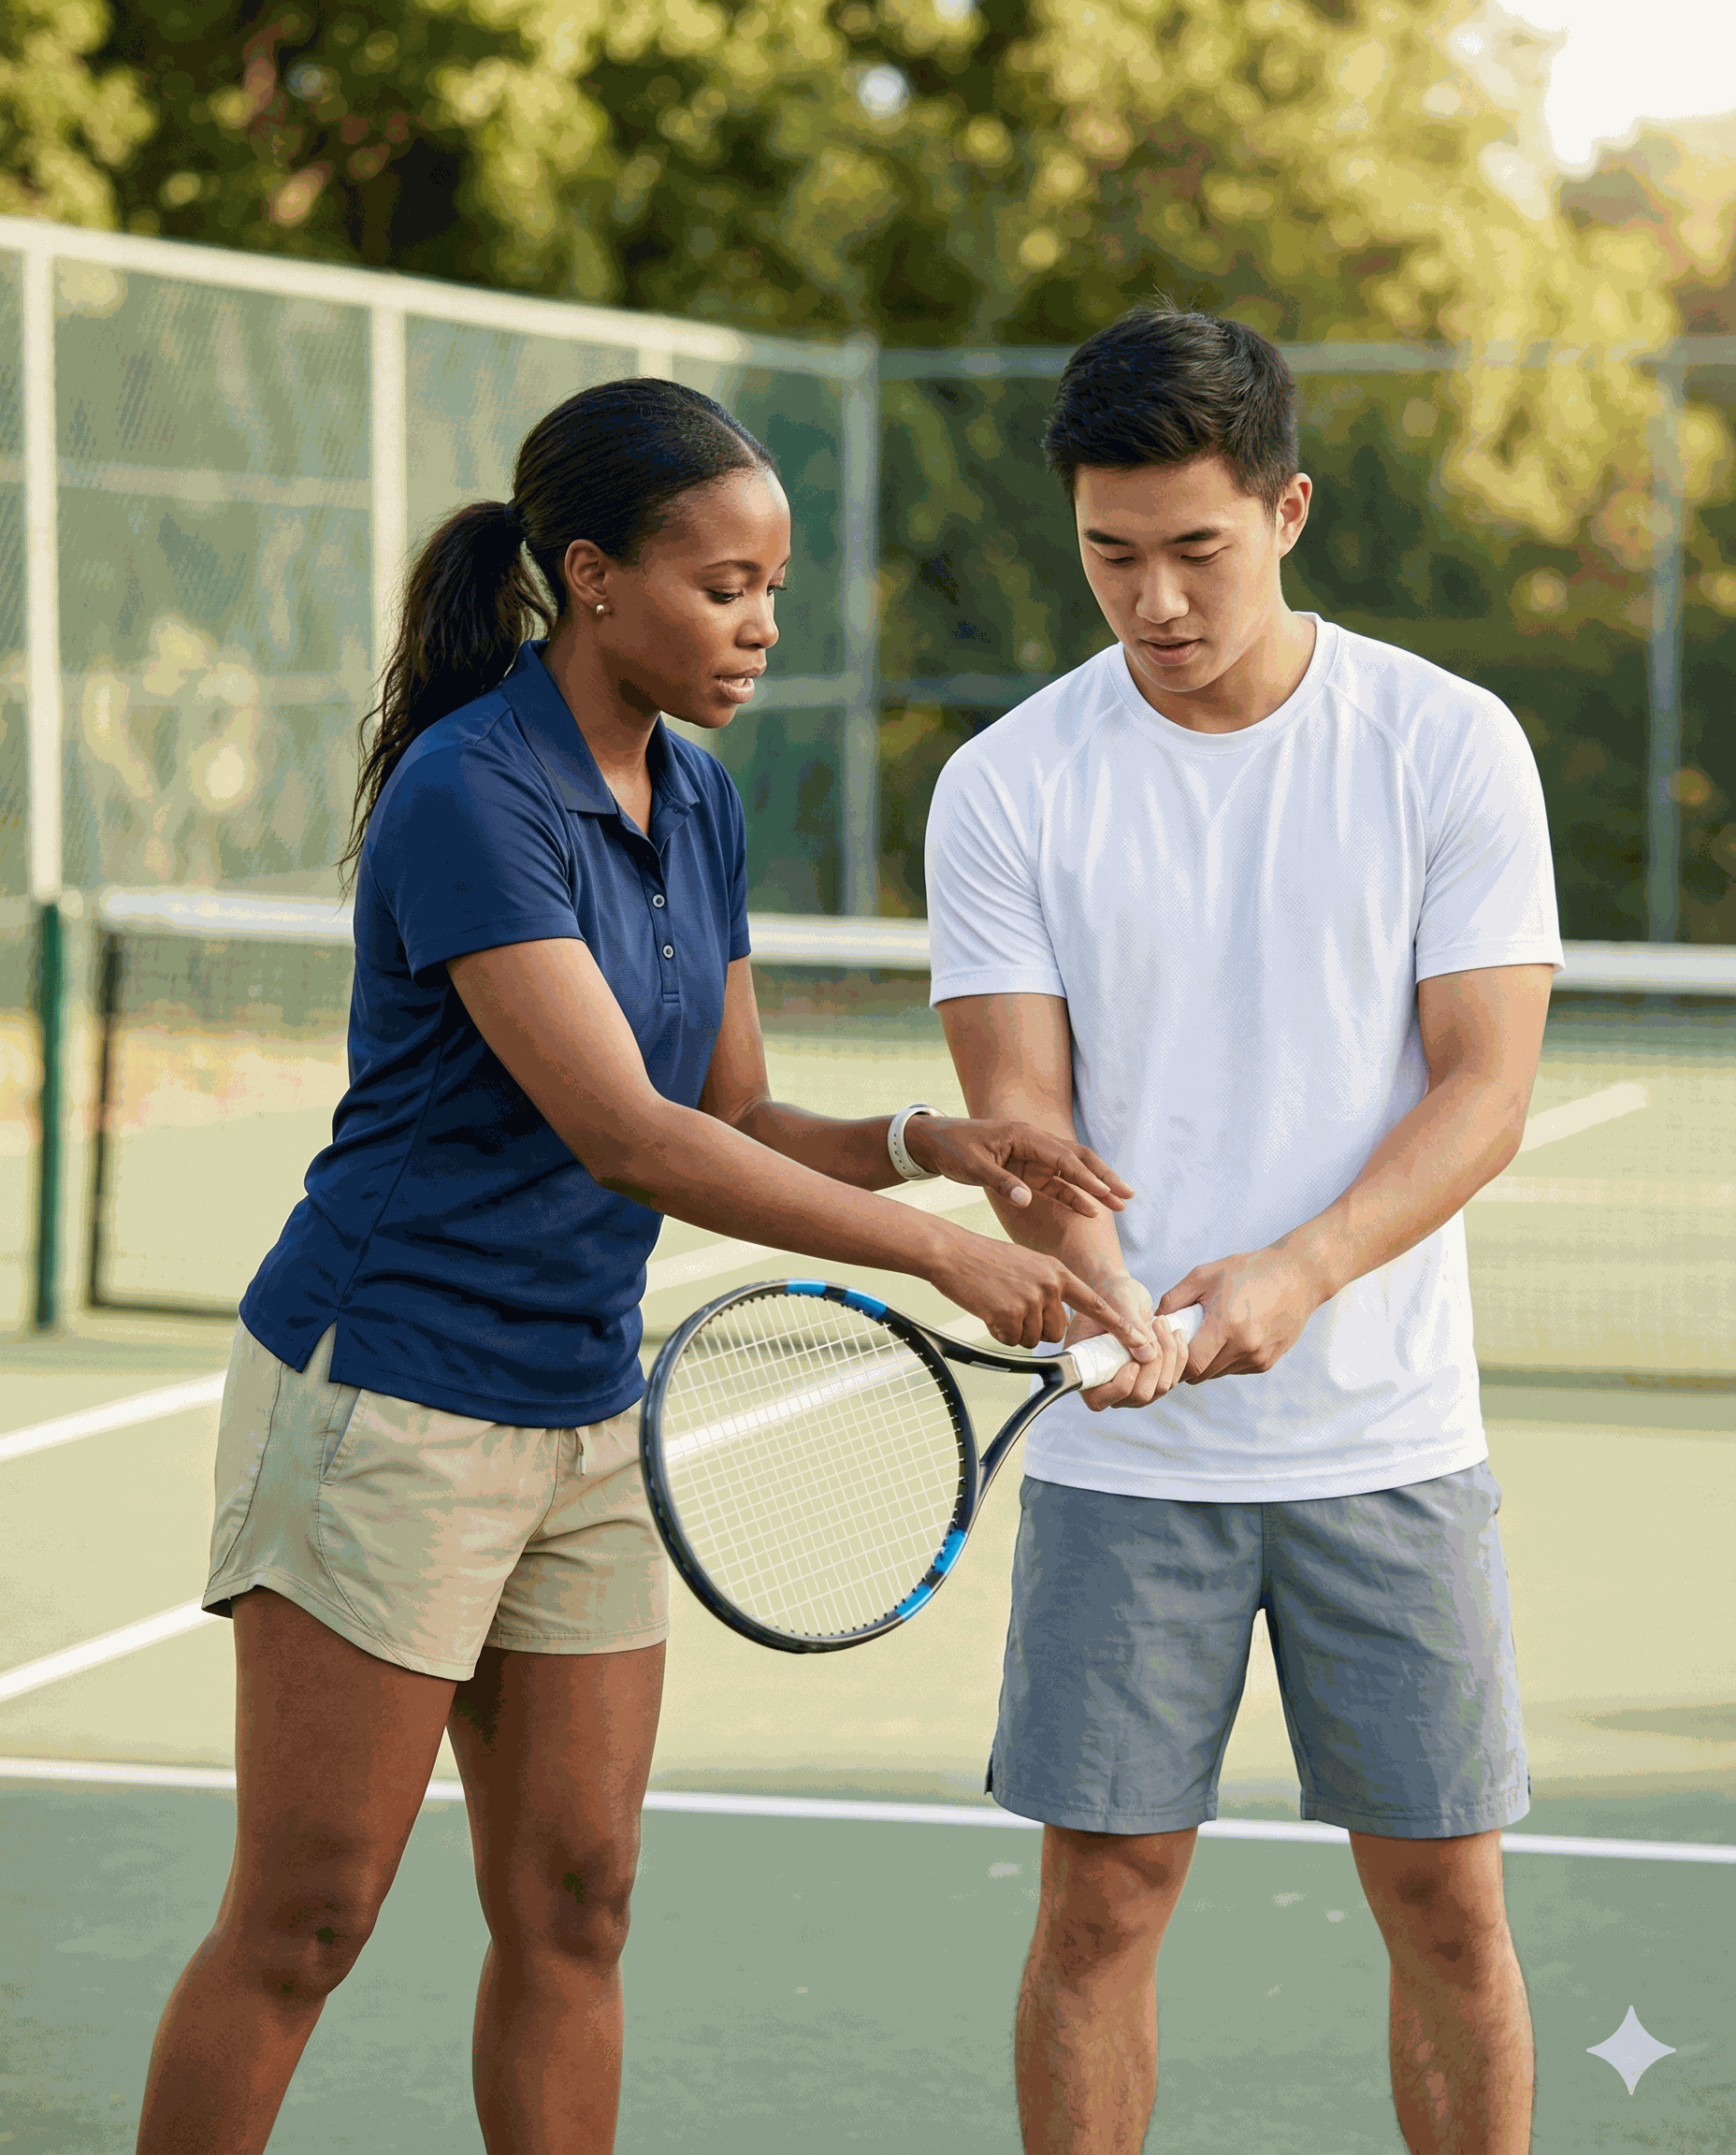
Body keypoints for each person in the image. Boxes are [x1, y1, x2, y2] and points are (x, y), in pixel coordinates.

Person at [133, 377, 1158, 2155]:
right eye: (724, 586)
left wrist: (935, 1142)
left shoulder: (694, 796)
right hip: (388, 1399)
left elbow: (735, 1110)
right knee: (309, 1920)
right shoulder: (470, 793)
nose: (760, 627)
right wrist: (938, 1258)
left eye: (774, 589)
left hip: (582, 1414)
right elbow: (628, 1133)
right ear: (591, 578)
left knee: (581, 1899)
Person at [924, 307, 1560, 2155]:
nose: (1153, 599)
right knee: (1101, 1905)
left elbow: (1482, 1089)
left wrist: (1295, 1272)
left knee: (1446, 1906)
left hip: (1391, 1448)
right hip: (1132, 1477)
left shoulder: (1444, 745)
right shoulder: (1008, 786)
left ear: (1285, 511)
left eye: (1195, 549)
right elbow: (1023, 1121)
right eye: (1109, 554)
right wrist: (1104, 1295)